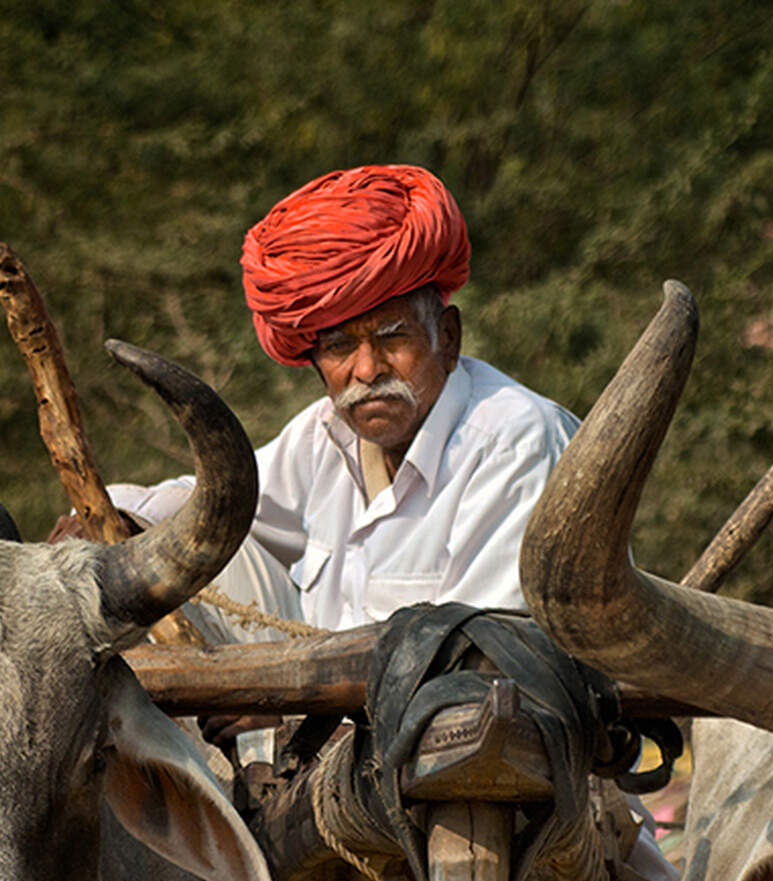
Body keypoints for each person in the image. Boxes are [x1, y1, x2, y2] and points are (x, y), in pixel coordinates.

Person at [107, 163, 578, 632]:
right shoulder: (324, 435)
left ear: (448, 337)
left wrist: (276, 699)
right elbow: (212, 497)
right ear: (315, 363)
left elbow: (484, 658)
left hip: (446, 701)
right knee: (173, 539)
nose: (368, 370)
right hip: (309, 698)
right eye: (339, 347)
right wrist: (110, 520)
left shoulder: (516, 440)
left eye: (392, 339)